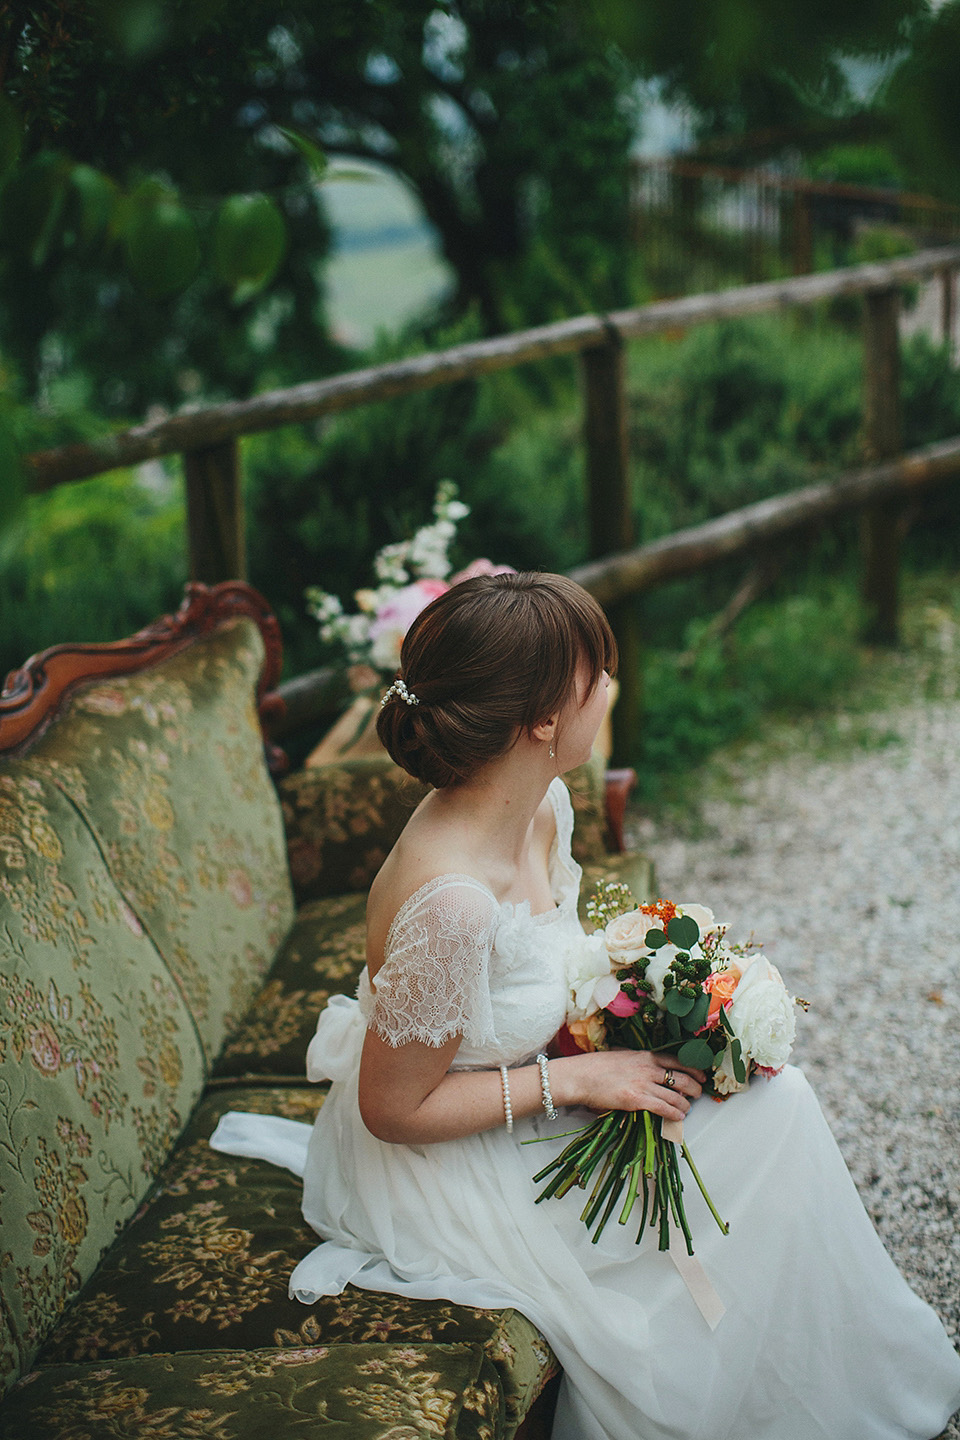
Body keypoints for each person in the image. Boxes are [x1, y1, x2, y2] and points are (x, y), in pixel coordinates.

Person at [212, 571, 960, 1440]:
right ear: (538, 720)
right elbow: (389, 1108)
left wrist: (643, 1001)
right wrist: (583, 1078)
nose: (611, 685)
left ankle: (832, 1381)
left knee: (774, 1105)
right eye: (595, 673)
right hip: (447, 1169)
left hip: (528, 1083)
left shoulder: (540, 805)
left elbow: (546, 965)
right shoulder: (452, 902)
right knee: (773, 1124)